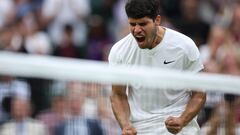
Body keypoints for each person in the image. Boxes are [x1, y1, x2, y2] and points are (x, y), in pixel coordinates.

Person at [108, 0, 206, 134]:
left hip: (180, 127)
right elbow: (118, 95)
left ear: (157, 20)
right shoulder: (119, 51)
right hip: (141, 128)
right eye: (132, 24)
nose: (137, 30)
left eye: (143, 24)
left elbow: (199, 94)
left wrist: (182, 120)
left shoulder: (184, 46)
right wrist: (125, 125)